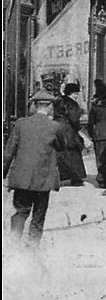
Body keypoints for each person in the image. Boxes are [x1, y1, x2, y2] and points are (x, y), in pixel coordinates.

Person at [3, 90, 66, 246]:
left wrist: (3, 174)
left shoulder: (20, 123)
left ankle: (12, 244)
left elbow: (8, 152)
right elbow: (62, 146)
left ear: (34, 106)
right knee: (38, 215)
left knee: (21, 211)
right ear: (50, 107)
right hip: (43, 179)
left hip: (22, 177)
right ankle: (32, 248)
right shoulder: (55, 126)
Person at [52, 83, 87, 186]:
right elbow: (74, 119)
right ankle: (76, 178)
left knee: (59, 152)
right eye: (76, 93)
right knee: (73, 152)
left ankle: (58, 176)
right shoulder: (72, 103)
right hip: (68, 129)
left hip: (57, 127)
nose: (77, 95)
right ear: (72, 93)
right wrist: (78, 129)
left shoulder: (58, 100)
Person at [87, 81, 106, 189]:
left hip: (99, 135)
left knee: (100, 159)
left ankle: (102, 180)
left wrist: (92, 135)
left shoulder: (95, 108)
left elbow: (90, 124)